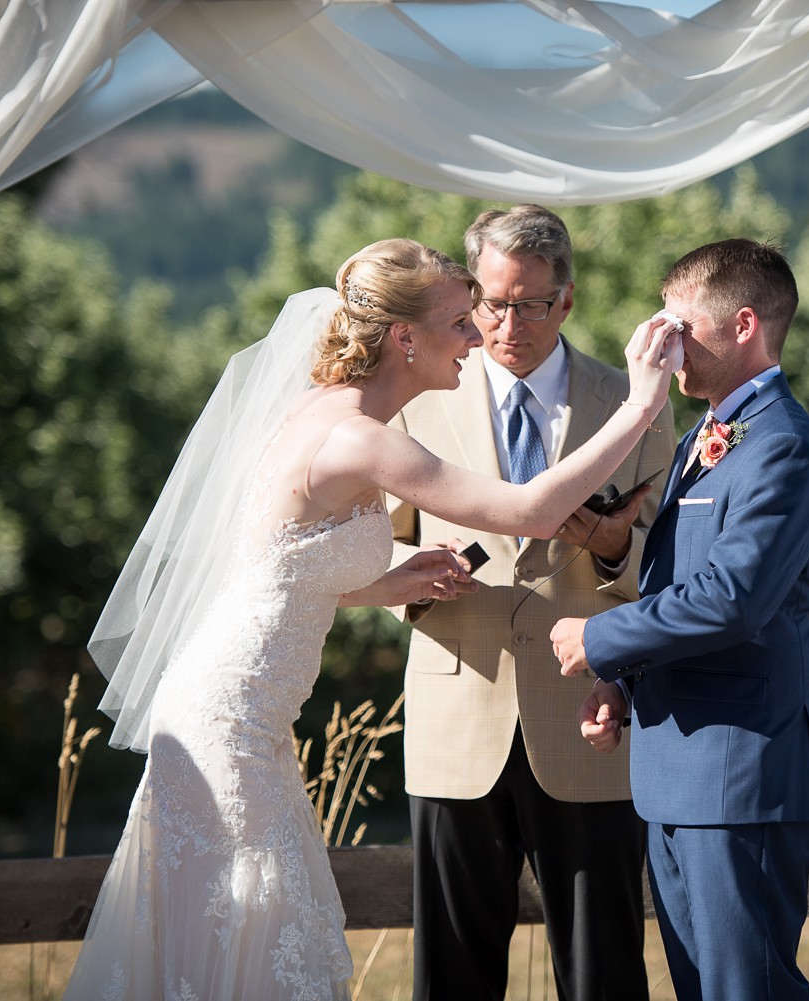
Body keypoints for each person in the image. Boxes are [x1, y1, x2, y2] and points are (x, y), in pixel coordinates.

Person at [63, 238, 679, 1001]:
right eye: (461, 321)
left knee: (231, 936)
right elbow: (531, 510)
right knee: (253, 933)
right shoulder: (363, 438)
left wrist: (384, 580)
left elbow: (271, 565)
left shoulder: (318, 410)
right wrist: (642, 405)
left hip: (236, 711)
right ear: (404, 338)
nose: (478, 336)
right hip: (231, 724)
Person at [389, 205, 674, 1001]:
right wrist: (413, 577)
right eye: (489, 302)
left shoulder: (635, 402)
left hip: (589, 722)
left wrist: (614, 546)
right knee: (450, 974)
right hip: (455, 716)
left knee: (604, 972)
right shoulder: (417, 397)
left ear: (568, 301)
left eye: (529, 304)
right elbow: (375, 546)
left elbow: (666, 566)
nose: (505, 323)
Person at [551, 238, 809, 1001]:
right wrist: (619, 678)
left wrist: (597, 639)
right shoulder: (703, 437)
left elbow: (731, 599)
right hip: (681, 769)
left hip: (743, 768)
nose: (662, 343)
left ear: (743, 324)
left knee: (748, 990)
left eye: (679, 325)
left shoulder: (782, 445)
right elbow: (673, 580)